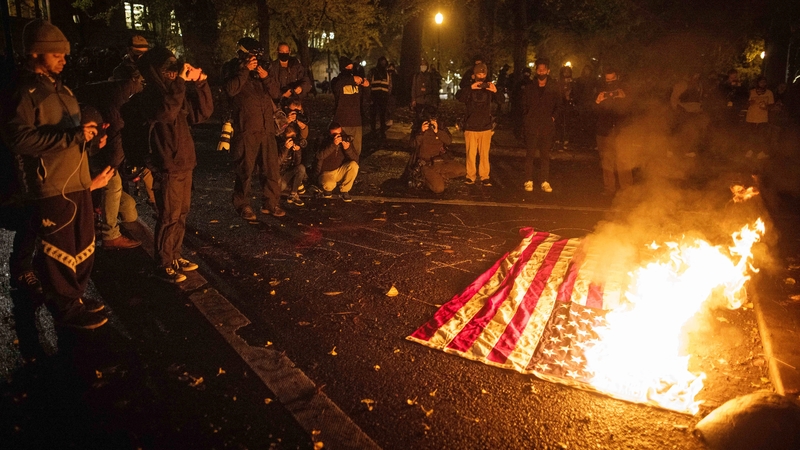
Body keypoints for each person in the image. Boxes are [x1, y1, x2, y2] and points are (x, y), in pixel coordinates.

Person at [1, 19, 114, 329]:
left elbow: (72, 137)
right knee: (59, 251)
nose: (64, 60)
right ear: (36, 53)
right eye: (57, 55)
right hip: (49, 186)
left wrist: (90, 141)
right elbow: (18, 138)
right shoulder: (24, 92)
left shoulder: (63, 89)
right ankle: (64, 309)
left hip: (76, 182)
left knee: (83, 246)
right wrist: (73, 137)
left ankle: (75, 297)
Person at [127, 46, 213, 283]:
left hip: (185, 162)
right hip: (167, 164)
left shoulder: (174, 92)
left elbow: (201, 114)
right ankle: (163, 263)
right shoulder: (150, 97)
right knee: (168, 216)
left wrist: (201, 83)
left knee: (181, 213)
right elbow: (166, 113)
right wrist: (180, 85)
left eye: (175, 71)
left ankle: (174, 255)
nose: (174, 75)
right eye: (168, 71)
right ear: (156, 72)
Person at [221, 37, 284, 221]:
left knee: (271, 169)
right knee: (245, 169)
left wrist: (265, 77)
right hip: (246, 127)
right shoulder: (232, 68)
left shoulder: (264, 69)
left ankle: (270, 203)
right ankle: (242, 204)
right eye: (252, 56)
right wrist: (244, 70)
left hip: (267, 128)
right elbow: (230, 90)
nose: (255, 59)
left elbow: (276, 94)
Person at [76, 78, 143, 250]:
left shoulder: (124, 96)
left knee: (129, 211)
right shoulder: (119, 105)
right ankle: (110, 235)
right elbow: (115, 148)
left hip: (94, 140)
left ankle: (98, 208)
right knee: (112, 181)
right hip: (86, 146)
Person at [456, 62, 503, 186]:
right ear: (474, 74)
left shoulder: (489, 87)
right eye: (478, 73)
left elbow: (501, 100)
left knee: (484, 154)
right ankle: (470, 176)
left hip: (485, 126)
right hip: (471, 125)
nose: (481, 76)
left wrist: (495, 91)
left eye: (483, 73)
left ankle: (484, 176)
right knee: (470, 154)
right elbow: (460, 97)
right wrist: (470, 88)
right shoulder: (469, 87)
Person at [521, 58, 561, 193]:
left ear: (548, 71)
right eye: (539, 69)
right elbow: (524, 105)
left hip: (547, 126)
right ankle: (528, 180)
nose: (541, 72)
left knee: (545, 155)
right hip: (532, 125)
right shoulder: (530, 87)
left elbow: (559, 105)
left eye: (544, 70)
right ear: (536, 71)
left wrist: (553, 117)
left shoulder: (554, 87)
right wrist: (527, 118)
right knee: (530, 154)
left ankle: (544, 180)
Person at [405, 113, 465, 193]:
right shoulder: (421, 130)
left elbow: (448, 141)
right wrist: (421, 132)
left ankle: (441, 176)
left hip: (440, 162)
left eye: (434, 120)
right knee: (439, 189)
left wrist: (437, 131)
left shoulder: (440, 129)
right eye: (430, 121)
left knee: (462, 170)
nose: (431, 123)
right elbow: (412, 145)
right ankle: (425, 180)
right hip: (426, 165)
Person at [594, 67, 632, 196]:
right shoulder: (599, 90)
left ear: (617, 78)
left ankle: (627, 189)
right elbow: (592, 111)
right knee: (607, 160)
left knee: (624, 159)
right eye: (607, 79)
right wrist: (598, 101)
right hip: (604, 130)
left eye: (613, 79)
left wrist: (622, 97)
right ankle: (609, 188)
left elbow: (631, 108)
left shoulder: (624, 89)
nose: (610, 82)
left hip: (621, 129)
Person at [331, 56, 369, 159]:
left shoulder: (356, 83)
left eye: (351, 67)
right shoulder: (337, 81)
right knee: (342, 151)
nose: (350, 69)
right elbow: (337, 85)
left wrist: (366, 86)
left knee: (356, 150)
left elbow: (365, 97)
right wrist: (352, 79)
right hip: (342, 121)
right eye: (347, 67)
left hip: (356, 122)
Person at [315, 122, 359, 202]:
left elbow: (355, 159)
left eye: (339, 133)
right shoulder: (323, 139)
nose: (338, 136)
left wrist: (347, 149)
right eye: (334, 134)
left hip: (339, 171)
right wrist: (333, 144)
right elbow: (319, 156)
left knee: (354, 165)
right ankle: (327, 189)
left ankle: (345, 190)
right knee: (329, 185)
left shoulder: (345, 138)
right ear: (329, 133)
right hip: (326, 172)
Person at [670, 71, 705, 158]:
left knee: (692, 132)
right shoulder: (682, 84)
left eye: (698, 74)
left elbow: (699, 98)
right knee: (679, 132)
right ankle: (671, 150)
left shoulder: (698, 85)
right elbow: (674, 98)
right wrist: (676, 109)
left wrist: (700, 108)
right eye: (695, 74)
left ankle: (687, 150)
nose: (697, 76)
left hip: (695, 111)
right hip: (684, 111)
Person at [269, 42, 312, 107]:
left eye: (286, 51)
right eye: (282, 51)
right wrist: (282, 95)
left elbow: (306, 80)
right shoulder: (273, 67)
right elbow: (271, 84)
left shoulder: (296, 65)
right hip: (278, 103)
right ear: (277, 52)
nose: (284, 53)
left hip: (295, 101)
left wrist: (301, 88)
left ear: (289, 52)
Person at [277, 123, 307, 207]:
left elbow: (297, 164)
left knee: (301, 168)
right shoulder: (278, 145)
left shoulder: (294, 145)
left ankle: (293, 194)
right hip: (278, 176)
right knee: (281, 185)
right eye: (289, 137)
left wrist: (297, 151)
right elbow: (276, 163)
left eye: (293, 137)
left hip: (288, 175)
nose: (291, 140)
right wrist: (285, 149)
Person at [744, 75, 773, 159]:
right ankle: (750, 151)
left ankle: (760, 152)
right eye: (761, 82)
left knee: (761, 136)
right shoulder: (752, 92)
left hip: (762, 118)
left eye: (764, 82)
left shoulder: (769, 93)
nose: (763, 84)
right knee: (751, 135)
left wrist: (765, 107)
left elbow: (771, 105)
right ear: (757, 83)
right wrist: (750, 103)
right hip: (751, 117)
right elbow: (746, 104)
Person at [368, 56, 391, 138]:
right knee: (373, 114)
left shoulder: (387, 73)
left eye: (384, 62)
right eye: (382, 62)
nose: (383, 64)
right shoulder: (373, 71)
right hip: (375, 95)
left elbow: (389, 85)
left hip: (384, 96)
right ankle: (373, 130)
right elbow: (368, 83)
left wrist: (388, 95)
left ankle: (382, 130)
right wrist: (369, 97)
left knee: (382, 114)